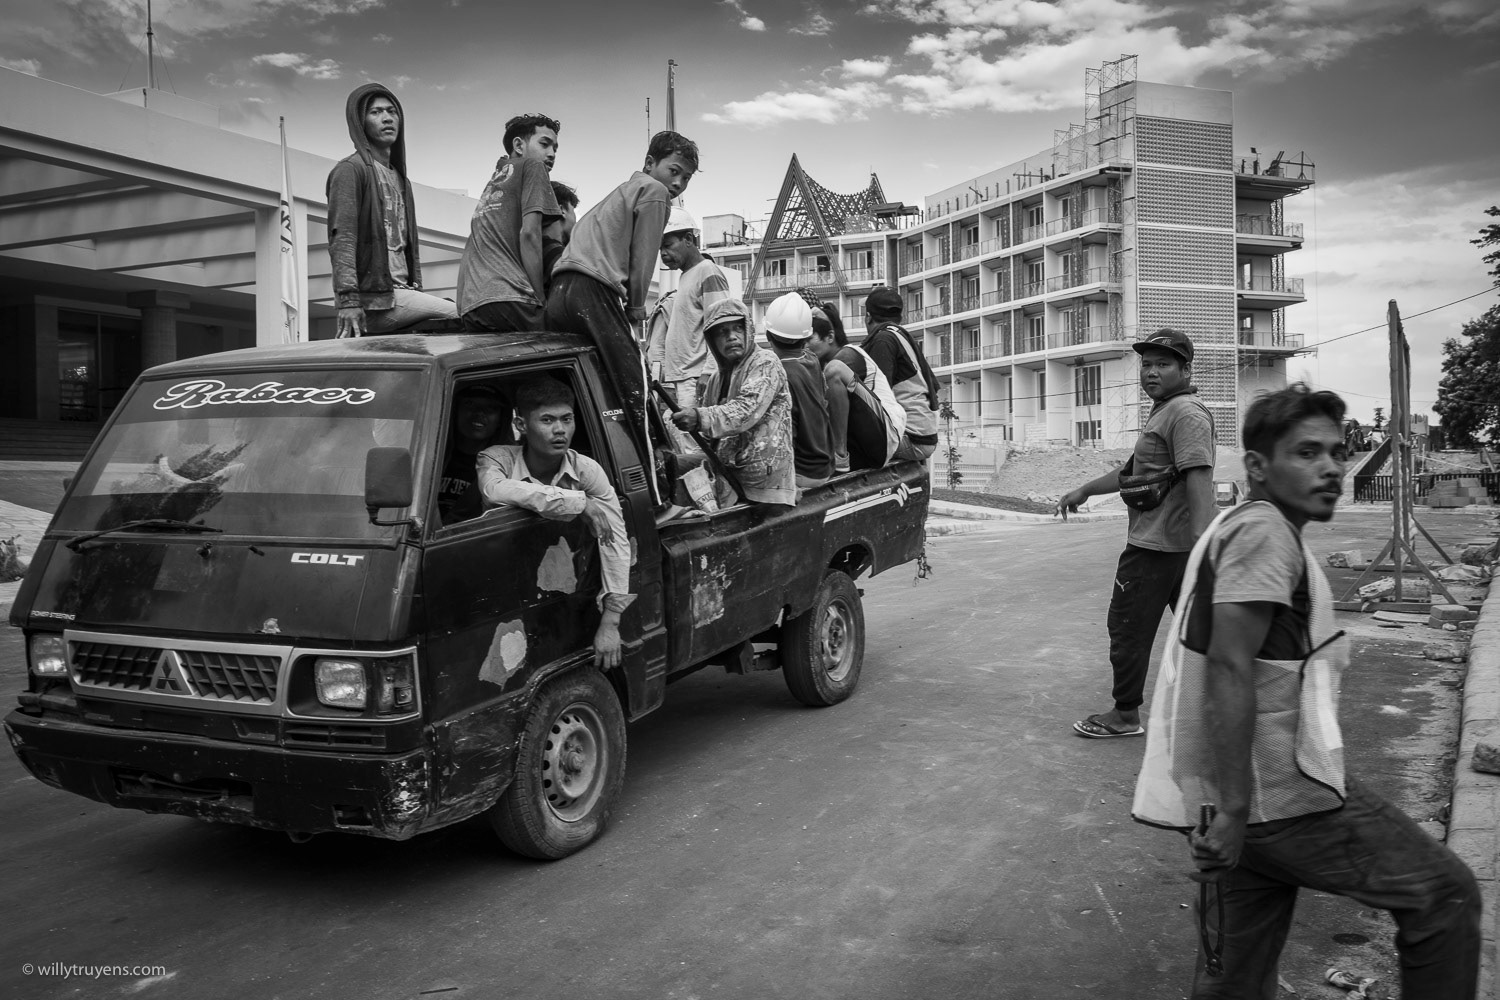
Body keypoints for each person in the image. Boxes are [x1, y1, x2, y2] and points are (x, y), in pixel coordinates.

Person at [1132, 384, 1480, 999]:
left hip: (1229, 803)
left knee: (1233, 984)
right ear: (1259, 468)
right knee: (1443, 894)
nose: (1331, 468)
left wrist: (1227, 812)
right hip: (1280, 800)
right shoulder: (1264, 533)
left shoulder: (1240, 528)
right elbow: (1229, 669)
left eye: (1337, 452)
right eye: (1307, 453)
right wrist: (1239, 812)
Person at [1059, 328, 1217, 739]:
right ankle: (1219, 711)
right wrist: (1086, 491)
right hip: (1170, 546)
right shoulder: (1166, 411)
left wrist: (1203, 549)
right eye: (1146, 364)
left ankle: (1125, 715)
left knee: (1128, 630)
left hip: (1158, 550)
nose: (1151, 372)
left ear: (1185, 369)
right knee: (1200, 633)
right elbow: (1134, 474)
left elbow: (1199, 477)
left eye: (1163, 364)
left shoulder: (1185, 413)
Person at [544, 131, 699, 442]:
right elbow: (643, 258)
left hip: (560, 291)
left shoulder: (620, 193)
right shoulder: (653, 192)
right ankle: (654, 462)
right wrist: (636, 306)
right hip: (593, 289)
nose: (679, 183)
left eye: (687, 177)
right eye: (674, 171)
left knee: (583, 376)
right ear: (650, 163)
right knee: (634, 382)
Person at [476, 378, 634, 668]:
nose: (559, 430)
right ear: (521, 425)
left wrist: (611, 623)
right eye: (547, 420)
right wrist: (578, 503)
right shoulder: (496, 458)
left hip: (561, 594)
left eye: (567, 419)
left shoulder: (585, 469)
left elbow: (615, 544)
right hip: (498, 593)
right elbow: (494, 489)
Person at [326, 83, 457, 337]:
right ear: (359, 121)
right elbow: (341, 239)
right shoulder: (351, 170)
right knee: (463, 314)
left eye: (391, 111)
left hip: (405, 294)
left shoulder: (401, 180)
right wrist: (349, 301)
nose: (386, 118)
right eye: (375, 112)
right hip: (373, 303)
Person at [670, 298, 794, 506]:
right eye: (722, 332)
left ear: (748, 330)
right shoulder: (716, 379)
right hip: (729, 472)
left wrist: (699, 417)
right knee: (670, 465)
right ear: (711, 340)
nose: (731, 337)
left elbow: (745, 410)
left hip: (764, 482)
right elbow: (710, 432)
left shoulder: (766, 363)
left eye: (738, 328)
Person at [455, 113, 563, 333]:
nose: (551, 154)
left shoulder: (494, 183)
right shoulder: (533, 167)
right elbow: (530, 235)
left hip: (473, 306)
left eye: (555, 148)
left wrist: (461, 305)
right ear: (519, 145)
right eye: (544, 144)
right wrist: (540, 299)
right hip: (510, 297)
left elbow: (471, 247)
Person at [808, 305, 904, 472]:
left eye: (809, 339)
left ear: (830, 336)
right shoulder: (823, 365)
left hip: (885, 433)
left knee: (834, 371)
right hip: (863, 447)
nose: (805, 346)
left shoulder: (849, 354)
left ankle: (839, 455)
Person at [658, 208, 732, 408]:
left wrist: (709, 372)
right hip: (687, 377)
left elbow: (722, 326)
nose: (663, 254)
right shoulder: (687, 275)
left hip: (697, 378)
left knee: (694, 437)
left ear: (688, 239)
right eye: (660, 249)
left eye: (668, 245)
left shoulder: (707, 271)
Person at [761, 293, 835, 490]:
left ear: (768, 336)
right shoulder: (812, 360)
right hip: (824, 467)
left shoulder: (778, 373)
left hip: (801, 473)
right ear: (805, 338)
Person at [860, 287, 939, 461]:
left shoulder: (883, 340)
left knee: (845, 451)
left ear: (868, 316)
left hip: (911, 438)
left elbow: (877, 396)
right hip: (924, 434)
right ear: (899, 317)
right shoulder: (901, 336)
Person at [437, 383, 510, 525]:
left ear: (500, 420)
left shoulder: (506, 469)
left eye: (490, 408)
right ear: (455, 410)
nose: (479, 413)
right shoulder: (431, 456)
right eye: (469, 404)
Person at [542, 180, 579, 290]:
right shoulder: (556, 255)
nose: (575, 221)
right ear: (562, 210)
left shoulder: (528, 250)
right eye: (573, 210)